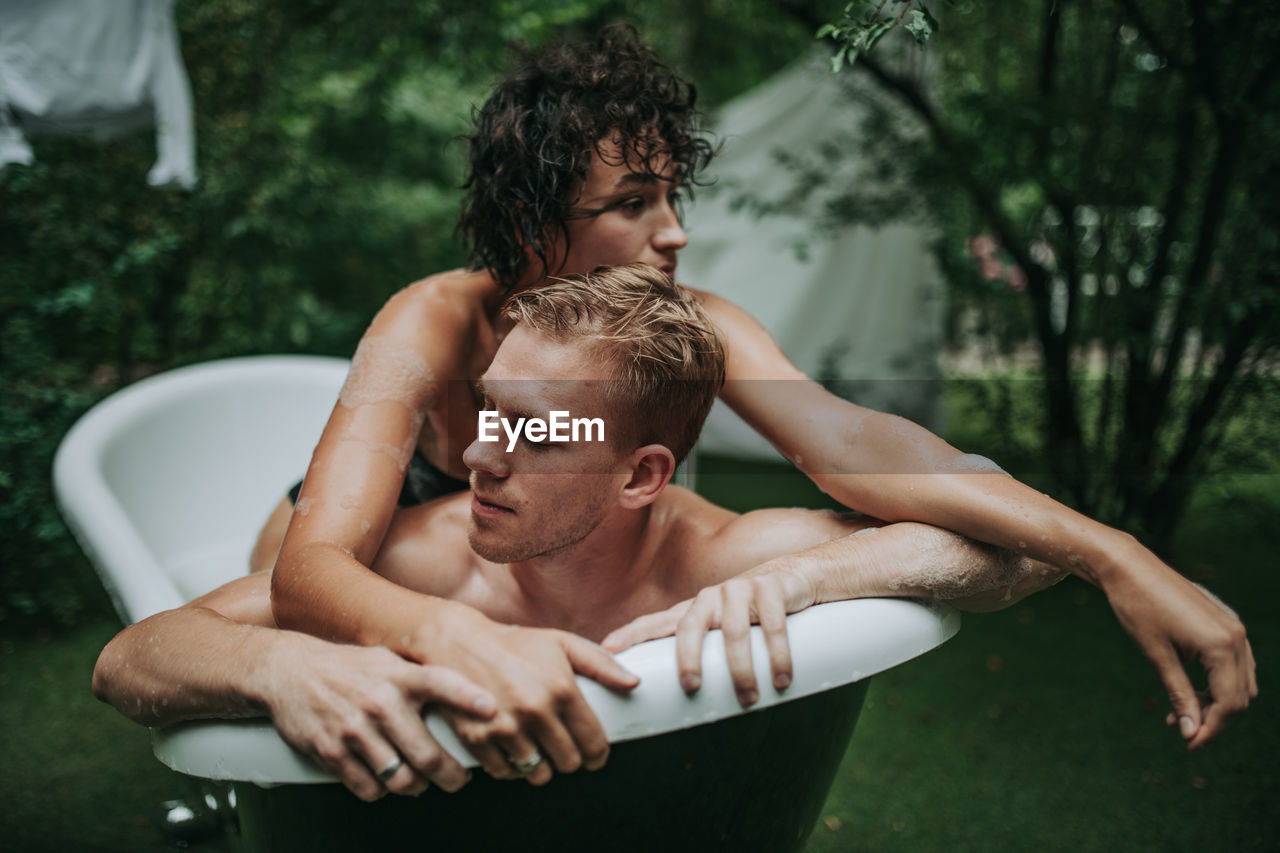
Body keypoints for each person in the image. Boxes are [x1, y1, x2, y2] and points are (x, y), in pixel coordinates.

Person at [256, 25, 1253, 770]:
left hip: (549, 582)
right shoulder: (429, 323)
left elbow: (848, 443)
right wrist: (453, 637)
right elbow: (307, 569)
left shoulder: (686, 318)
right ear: (529, 227)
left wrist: (1115, 554)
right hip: (370, 580)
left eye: (671, 194)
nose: (674, 230)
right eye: (632, 202)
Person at [95, 265, 1065, 802]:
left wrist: (817, 577)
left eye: (536, 429)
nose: (481, 454)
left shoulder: (725, 558)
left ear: (643, 475)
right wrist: (283, 670)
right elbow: (134, 657)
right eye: (488, 412)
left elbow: (1015, 551)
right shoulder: (423, 559)